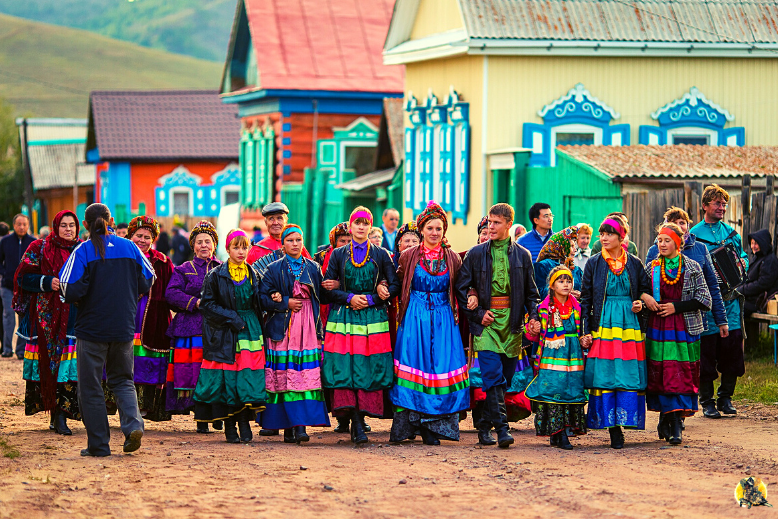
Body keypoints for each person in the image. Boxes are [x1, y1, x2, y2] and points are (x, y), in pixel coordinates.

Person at [59, 203, 154, 457]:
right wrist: (129, 293)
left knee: (90, 387)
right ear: (110, 220)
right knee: (123, 380)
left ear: (86, 225)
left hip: (92, 330)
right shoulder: (130, 247)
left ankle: (99, 446)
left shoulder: (83, 250)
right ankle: (133, 426)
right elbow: (149, 277)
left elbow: (68, 289)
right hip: (124, 326)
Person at [456, 203, 541, 448]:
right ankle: (503, 430)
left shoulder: (523, 255)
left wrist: (533, 317)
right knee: (492, 375)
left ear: (508, 225)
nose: (490, 227)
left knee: (503, 378)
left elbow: (531, 294)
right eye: (489, 222)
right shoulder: (475, 253)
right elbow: (461, 289)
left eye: (495, 223)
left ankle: (483, 426)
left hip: (513, 325)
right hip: (486, 325)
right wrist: (479, 314)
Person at [390, 202, 469, 445]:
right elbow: (398, 284)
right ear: (421, 229)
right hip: (414, 318)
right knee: (415, 367)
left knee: (442, 367)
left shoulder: (453, 258)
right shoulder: (408, 256)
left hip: (445, 319)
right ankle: (411, 426)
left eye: (439, 228)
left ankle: (435, 428)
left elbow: (462, 287)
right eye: (430, 228)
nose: (435, 232)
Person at [322, 206, 400, 444]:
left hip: (373, 319)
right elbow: (327, 290)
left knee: (368, 367)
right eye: (357, 222)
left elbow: (394, 286)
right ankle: (355, 422)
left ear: (370, 226)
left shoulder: (380, 254)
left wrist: (371, 299)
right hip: (343, 318)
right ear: (350, 224)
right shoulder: (338, 255)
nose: (361, 227)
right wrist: (348, 298)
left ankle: (362, 418)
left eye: (366, 223)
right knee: (345, 367)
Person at [580, 215, 654, 449]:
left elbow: (644, 289)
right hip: (603, 323)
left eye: (609, 234)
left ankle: (624, 421)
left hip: (629, 326)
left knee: (626, 373)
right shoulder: (594, 263)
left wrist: (640, 304)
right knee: (605, 373)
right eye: (601, 234)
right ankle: (612, 428)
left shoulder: (634, 262)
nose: (603, 238)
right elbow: (586, 300)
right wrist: (586, 329)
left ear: (621, 237)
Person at [259, 224, 330, 443]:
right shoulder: (273, 269)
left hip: (308, 326)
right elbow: (261, 298)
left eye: (298, 240)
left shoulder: (313, 268)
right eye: (290, 240)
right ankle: (286, 425)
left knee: (303, 375)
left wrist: (333, 287)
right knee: (283, 376)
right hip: (282, 328)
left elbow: (324, 297)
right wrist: (285, 303)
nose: (295, 244)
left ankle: (300, 426)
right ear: (282, 245)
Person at [194, 229, 266, 443]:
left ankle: (244, 422)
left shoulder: (254, 274)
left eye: (245, 247)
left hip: (250, 333)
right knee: (228, 381)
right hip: (224, 334)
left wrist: (275, 296)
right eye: (236, 247)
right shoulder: (215, 275)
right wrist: (232, 318)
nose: (241, 251)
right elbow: (207, 305)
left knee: (246, 380)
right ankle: (230, 426)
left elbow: (259, 302)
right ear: (227, 249)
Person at [13, 210, 81, 435]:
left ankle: (63, 414)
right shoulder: (40, 248)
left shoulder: (83, 249)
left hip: (74, 319)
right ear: (55, 226)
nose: (68, 229)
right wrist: (45, 281)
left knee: (68, 368)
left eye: (72, 225)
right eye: (63, 225)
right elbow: (22, 277)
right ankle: (53, 412)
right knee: (49, 364)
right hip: (45, 318)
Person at [644, 223, 711, 445]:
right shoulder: (651, 268)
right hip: (658, 328)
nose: (662, 244)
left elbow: (705, 299)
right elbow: (639, 290)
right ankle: (666, 416)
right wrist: (645, 298)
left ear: (678, 243)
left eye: (667, 240)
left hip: (684, 329)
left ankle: (675, 423)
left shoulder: (692, 267)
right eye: (659, 240)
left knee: (681, 374)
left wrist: (676, 306)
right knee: (662, 372)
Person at [690, 185, 747, 418]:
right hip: (706, 305)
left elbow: (743, 257)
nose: (722, 207)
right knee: (707, 353)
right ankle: (707, 401)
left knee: (732, 350)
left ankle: (726, 398)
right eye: (717, 203)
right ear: (705, 206)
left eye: (724, 204)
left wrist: (741, 265)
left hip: (731, 302)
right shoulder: (694, 235)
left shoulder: (732, 234)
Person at [164, 221, 222, 432]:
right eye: (199, 242)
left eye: (208, 241)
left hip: (218, 330)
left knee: (215, 371)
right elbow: (171, 293)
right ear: (193, 245)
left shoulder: (223, 268)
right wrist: (195, 302)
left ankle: (217, 412)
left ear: (214, 244)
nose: (204, 246)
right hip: (191, 329)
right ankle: (202, 418)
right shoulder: (183, 269)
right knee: (196, 373)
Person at [524, 265, 590, 449]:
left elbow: (582, 330)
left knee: (570, 389)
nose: (566, 285)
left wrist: (585, 338)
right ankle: (558, 433)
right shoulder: (542, 309)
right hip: (550, 358)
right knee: (553, 390)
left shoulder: (578, 307)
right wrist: (532, 327)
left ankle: (564, 431)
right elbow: (532, 335)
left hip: (573, 356)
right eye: (561, 281)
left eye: (569, 281)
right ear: (552, 286)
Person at [127, 216, 174, 422]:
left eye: (147, 237)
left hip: (154, 319)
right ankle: (124, 406)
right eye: (139, 236)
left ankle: (146, 407)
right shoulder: (122, 256)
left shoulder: (163, 261)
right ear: (130, 236)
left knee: (147, 362)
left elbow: (173, 290)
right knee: (126, 360)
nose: (142, 240)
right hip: (128, 316)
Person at [0, 214, 35, 358]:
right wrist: (6, 273)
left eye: (24, 224)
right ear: (13, 225)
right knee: (8, 317)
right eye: (19, 224)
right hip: (8, 286)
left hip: (26, 288)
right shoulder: (5, 241)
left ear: (28, 226)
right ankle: (7, 349)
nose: (21, 227)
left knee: (24, 318)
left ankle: (21, 350)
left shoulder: (34, 242)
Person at [533, 226, 583, 300]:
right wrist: (559, 291)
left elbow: (585, 292)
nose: (575, 250)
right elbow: (537, 293)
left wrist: (581, 296)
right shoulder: (543, 266)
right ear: (562, 247)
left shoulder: (576, 270)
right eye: (571, 246)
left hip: (573, 310)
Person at [742, 229, 778, 315]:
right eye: (752, 243)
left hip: (759, 302)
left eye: (756, 243)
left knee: (732, 308)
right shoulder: (758, 259)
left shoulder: (770, 260)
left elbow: (762, 284)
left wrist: (742, 290)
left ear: (763, 243)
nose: (753, 246)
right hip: (751, 300)